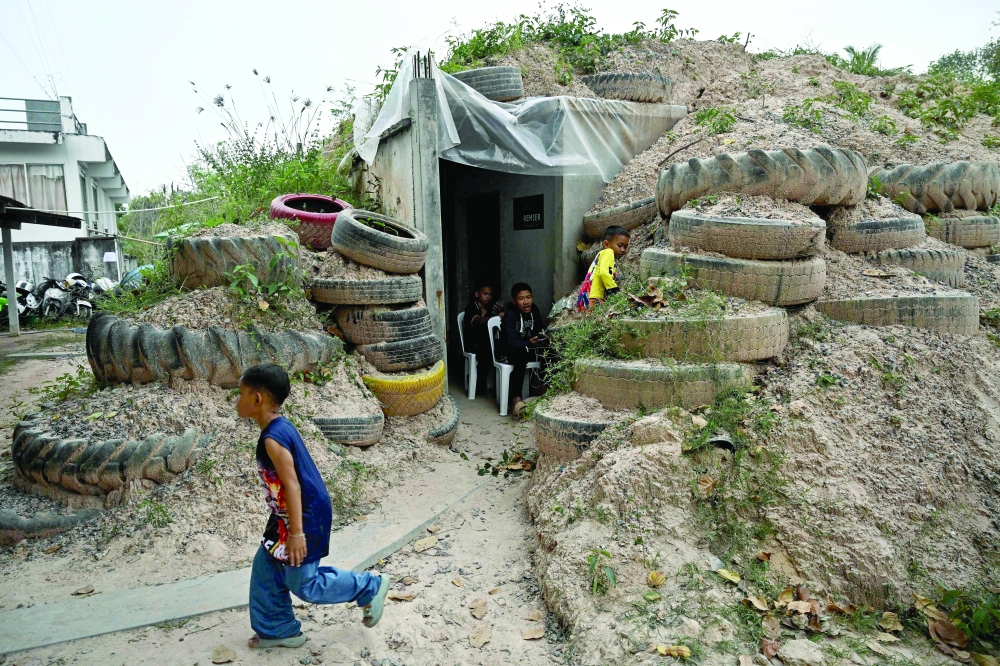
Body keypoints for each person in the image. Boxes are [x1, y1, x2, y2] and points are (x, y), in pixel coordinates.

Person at [237, 363, 390, 650]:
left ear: (257, 399)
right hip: (285, 514)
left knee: (304, 583)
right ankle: (277, 629)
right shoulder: (278, 426)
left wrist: (296, 534)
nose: (237, 400)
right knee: (267, 566)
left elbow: (293, 485)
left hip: (304, 515)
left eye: (241, 393)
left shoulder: (273, 439)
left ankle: (370, 587)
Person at [501, 282, 549, 417]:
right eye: (521, 298)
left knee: (550, 351)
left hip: (529, 347)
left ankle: (547, 390)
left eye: (528, 297)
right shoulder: (510, 315)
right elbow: (511, 342)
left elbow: (539, 330)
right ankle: (516, 399)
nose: (526, 302)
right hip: (509, 352)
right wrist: (528, 343)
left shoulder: (535, 310)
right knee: (521, 353)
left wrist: (541, 339)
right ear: (514, 301)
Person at [462, 282, 504, 394]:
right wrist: (496, 317)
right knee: (487, 350)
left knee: (497, 348)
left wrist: (500, 312)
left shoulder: (490, 309)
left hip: (486, 343)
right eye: (485, 294)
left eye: (490, 294)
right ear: (477, 294)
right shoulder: (471, 308)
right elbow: (479, 321)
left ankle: (497, 387)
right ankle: (478, 381)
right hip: (473, 343)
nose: (488, 297)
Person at [577, 225, 630, 311]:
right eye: (620, 245)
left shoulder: (601, 254)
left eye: (625, 247)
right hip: (595, 297)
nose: (623, 249)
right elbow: (604, 273)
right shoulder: (609, 252)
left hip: (587, 297)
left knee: (590, 321)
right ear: (606, 244)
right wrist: (613, 289)